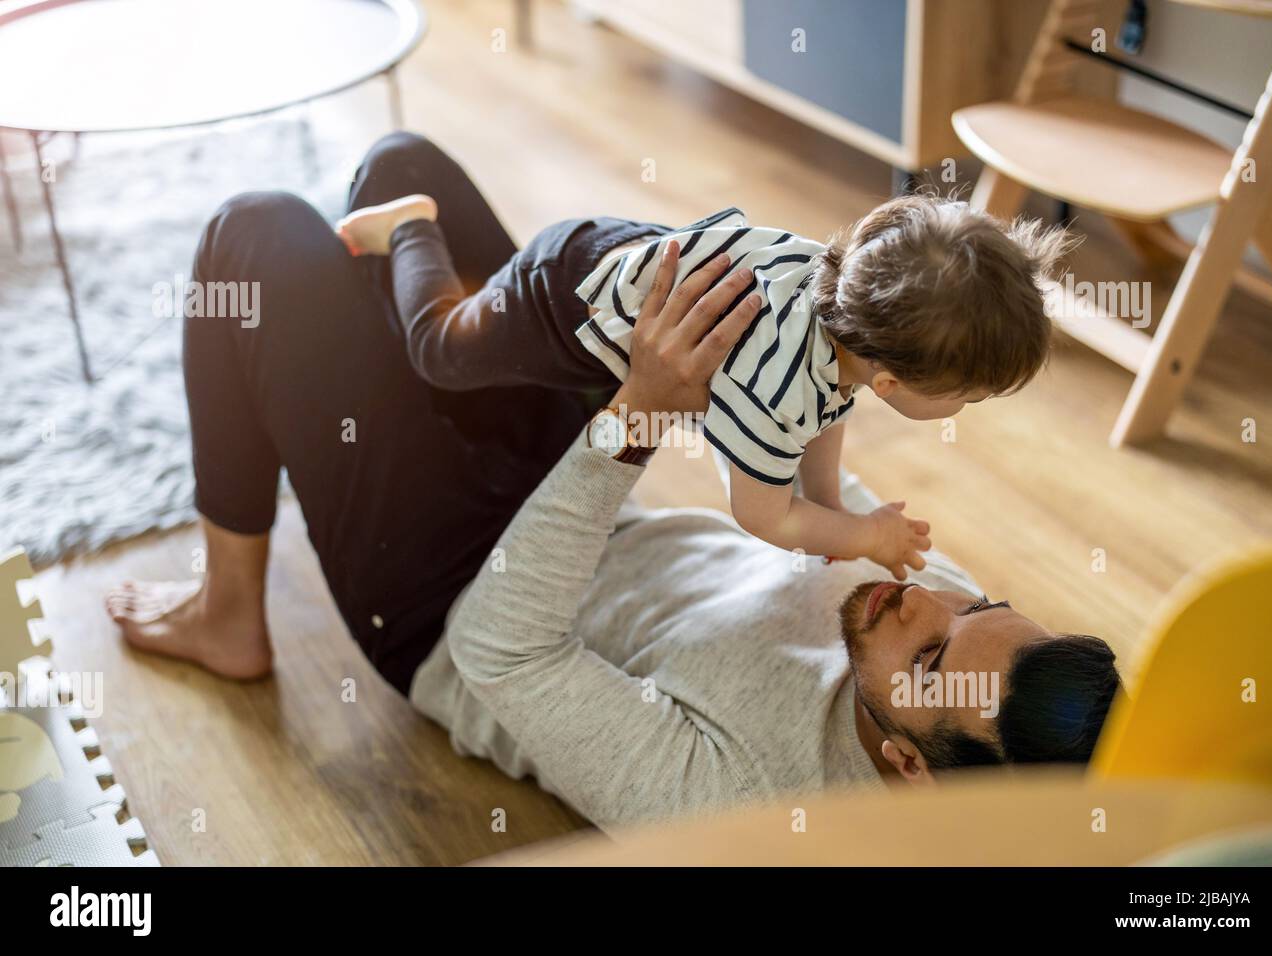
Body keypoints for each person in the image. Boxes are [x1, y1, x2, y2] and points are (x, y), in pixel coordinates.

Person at [106, 132, 1122, 829]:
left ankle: (228, 608)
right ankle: (384, 343)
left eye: (934, 653)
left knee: (256, 231)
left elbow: (502, 648)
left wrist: (640, 413)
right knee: (401, 166)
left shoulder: (748, 805)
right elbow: (821, 474)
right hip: (586, 497)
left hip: (448, 597)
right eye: (976, 600)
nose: (924, 597)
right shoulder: (937, 630)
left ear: (905, 761)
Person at [336, 190, 1071, 579]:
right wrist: (864, 535)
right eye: (967, 395)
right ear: (888, 379)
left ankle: (449, 246)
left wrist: (828, 498)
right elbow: (762, 515)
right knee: (439, 350)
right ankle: (411, 227)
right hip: (558, 303)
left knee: (502, 353)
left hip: (612, 249)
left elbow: (825, 410)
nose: (967, 406)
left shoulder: (844, 291)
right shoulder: (776, 387)